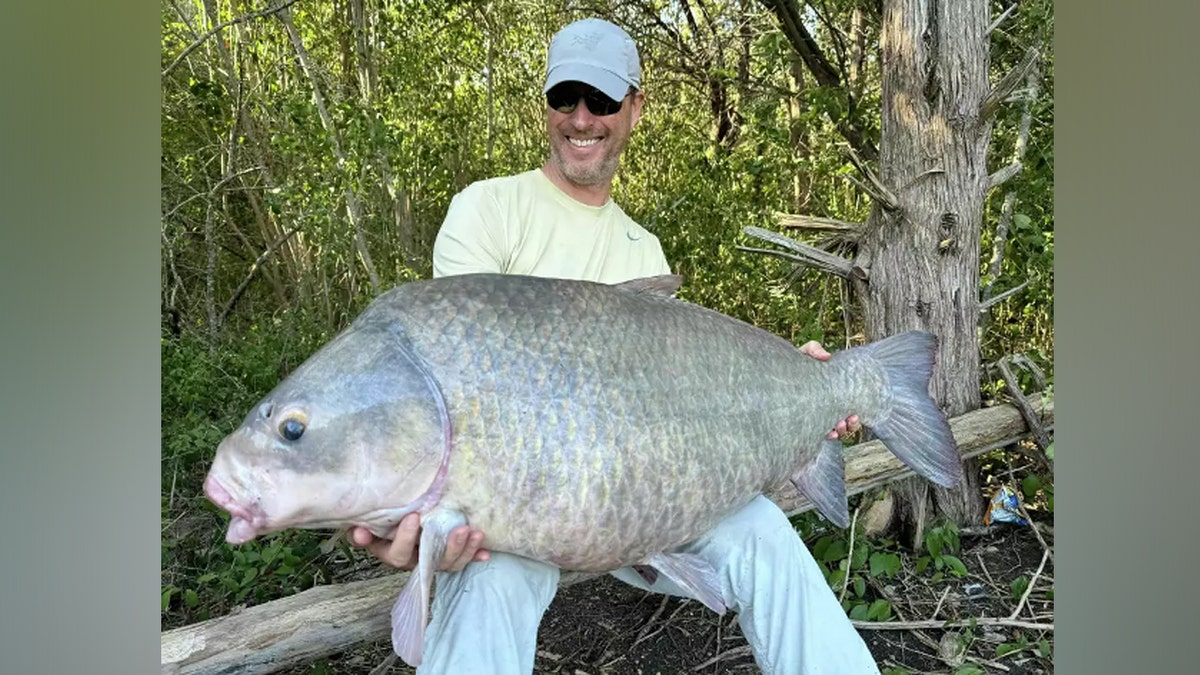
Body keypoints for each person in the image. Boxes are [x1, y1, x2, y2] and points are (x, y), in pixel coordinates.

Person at [351, 18, 880, 674]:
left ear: (634, 108)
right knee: (489, 579)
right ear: (545, 105)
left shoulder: (644, 253)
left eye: (601, 100)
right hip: (519, 503)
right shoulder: (487, 211)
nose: (582, 118)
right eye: (565, 98)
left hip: (645, 500)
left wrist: (796, 389)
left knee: (767, 534)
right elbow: (458, 392)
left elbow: (684, 410)